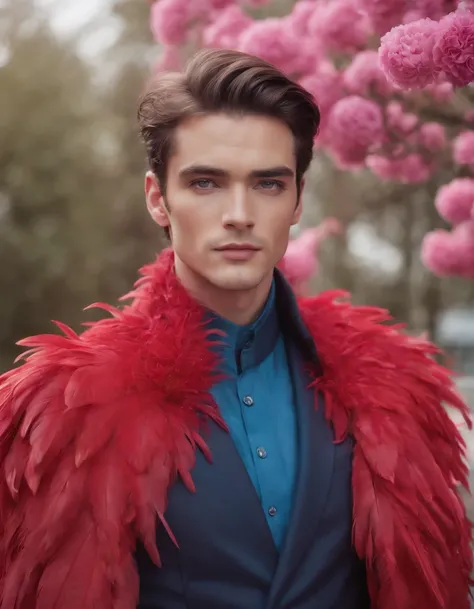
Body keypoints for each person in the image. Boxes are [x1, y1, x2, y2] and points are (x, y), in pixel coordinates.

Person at [0, 49, 471, 609]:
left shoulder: (398, 392)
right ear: (158, 198)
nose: (240, 213)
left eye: (269, 184)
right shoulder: (60, 412)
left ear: (297, 200)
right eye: (206, 183)